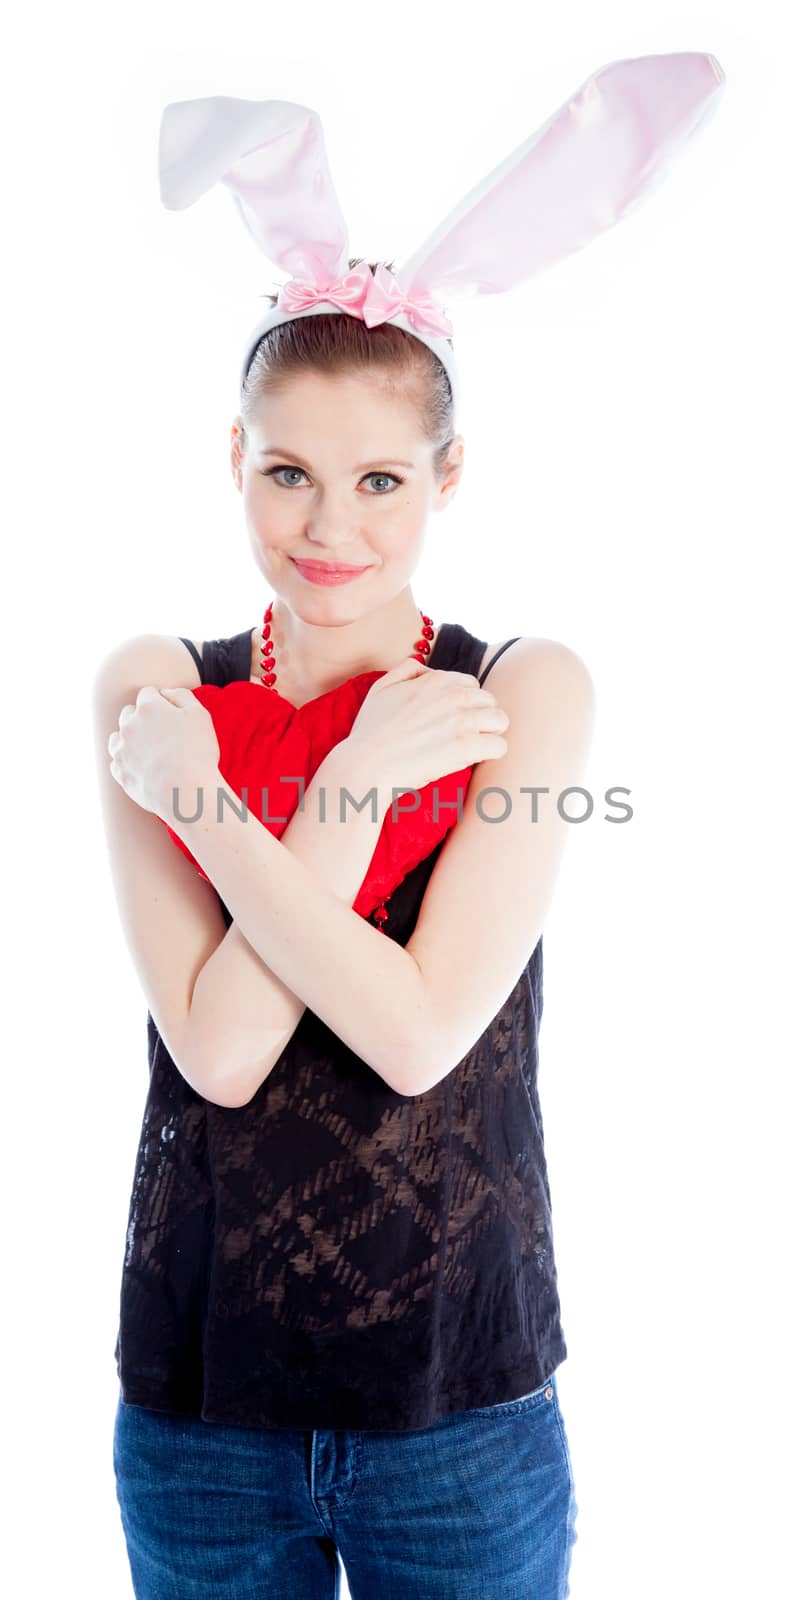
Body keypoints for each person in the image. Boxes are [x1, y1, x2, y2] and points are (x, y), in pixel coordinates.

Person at [93, 60, 724, 1599]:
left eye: (380, 479)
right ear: (231, 459)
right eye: (289, 473)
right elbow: (221, 1054)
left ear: (448, 476)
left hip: (463, 1403)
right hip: (198, 1410)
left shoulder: (523, 690)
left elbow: (422, 1034)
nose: (330, 529)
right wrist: (347, 793)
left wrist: (235, 808)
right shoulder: (158, 689)